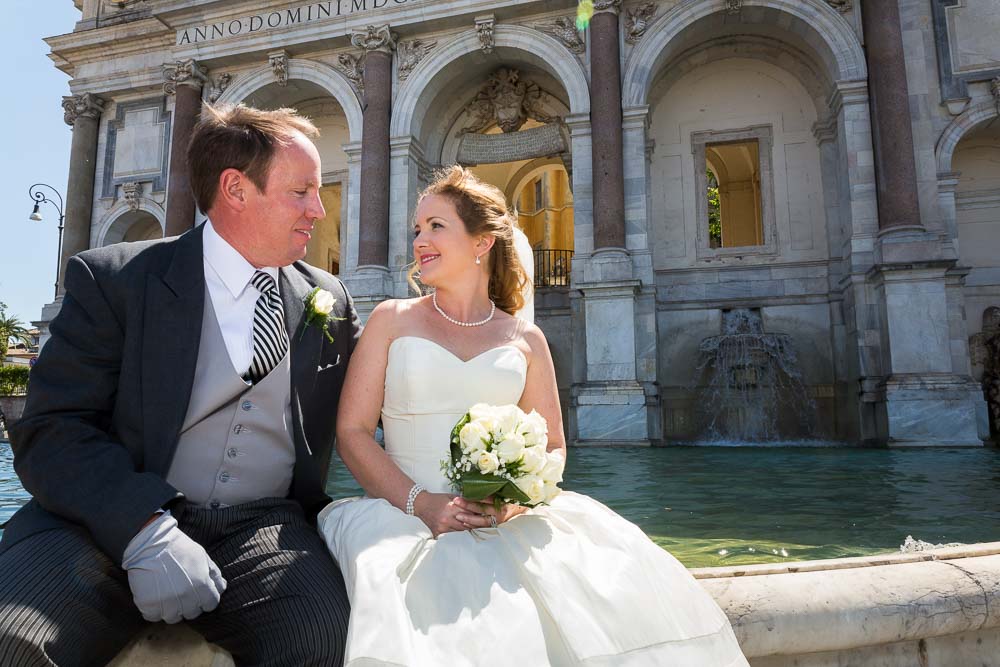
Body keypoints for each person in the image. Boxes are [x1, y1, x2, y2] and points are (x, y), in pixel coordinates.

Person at [319, 166, 749, 666]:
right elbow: (352, 432)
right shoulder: (391, 320)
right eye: (417, 229)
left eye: (436, 226)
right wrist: (423, 504)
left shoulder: (525, 339)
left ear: (482, 242)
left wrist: (510, 504)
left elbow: (551, 447)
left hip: (503, 518)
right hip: (402, 511)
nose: (420, 241)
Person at [0, 103, 359, 666]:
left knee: (324, 644)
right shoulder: (114, 279)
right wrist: (142, 529)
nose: (319, 208)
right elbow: (51, 431)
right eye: (301, 192)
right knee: (14, 643)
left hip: (263, 531)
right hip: (100, 528)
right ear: (235, 189)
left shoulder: (331, 300)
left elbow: (372, 408)